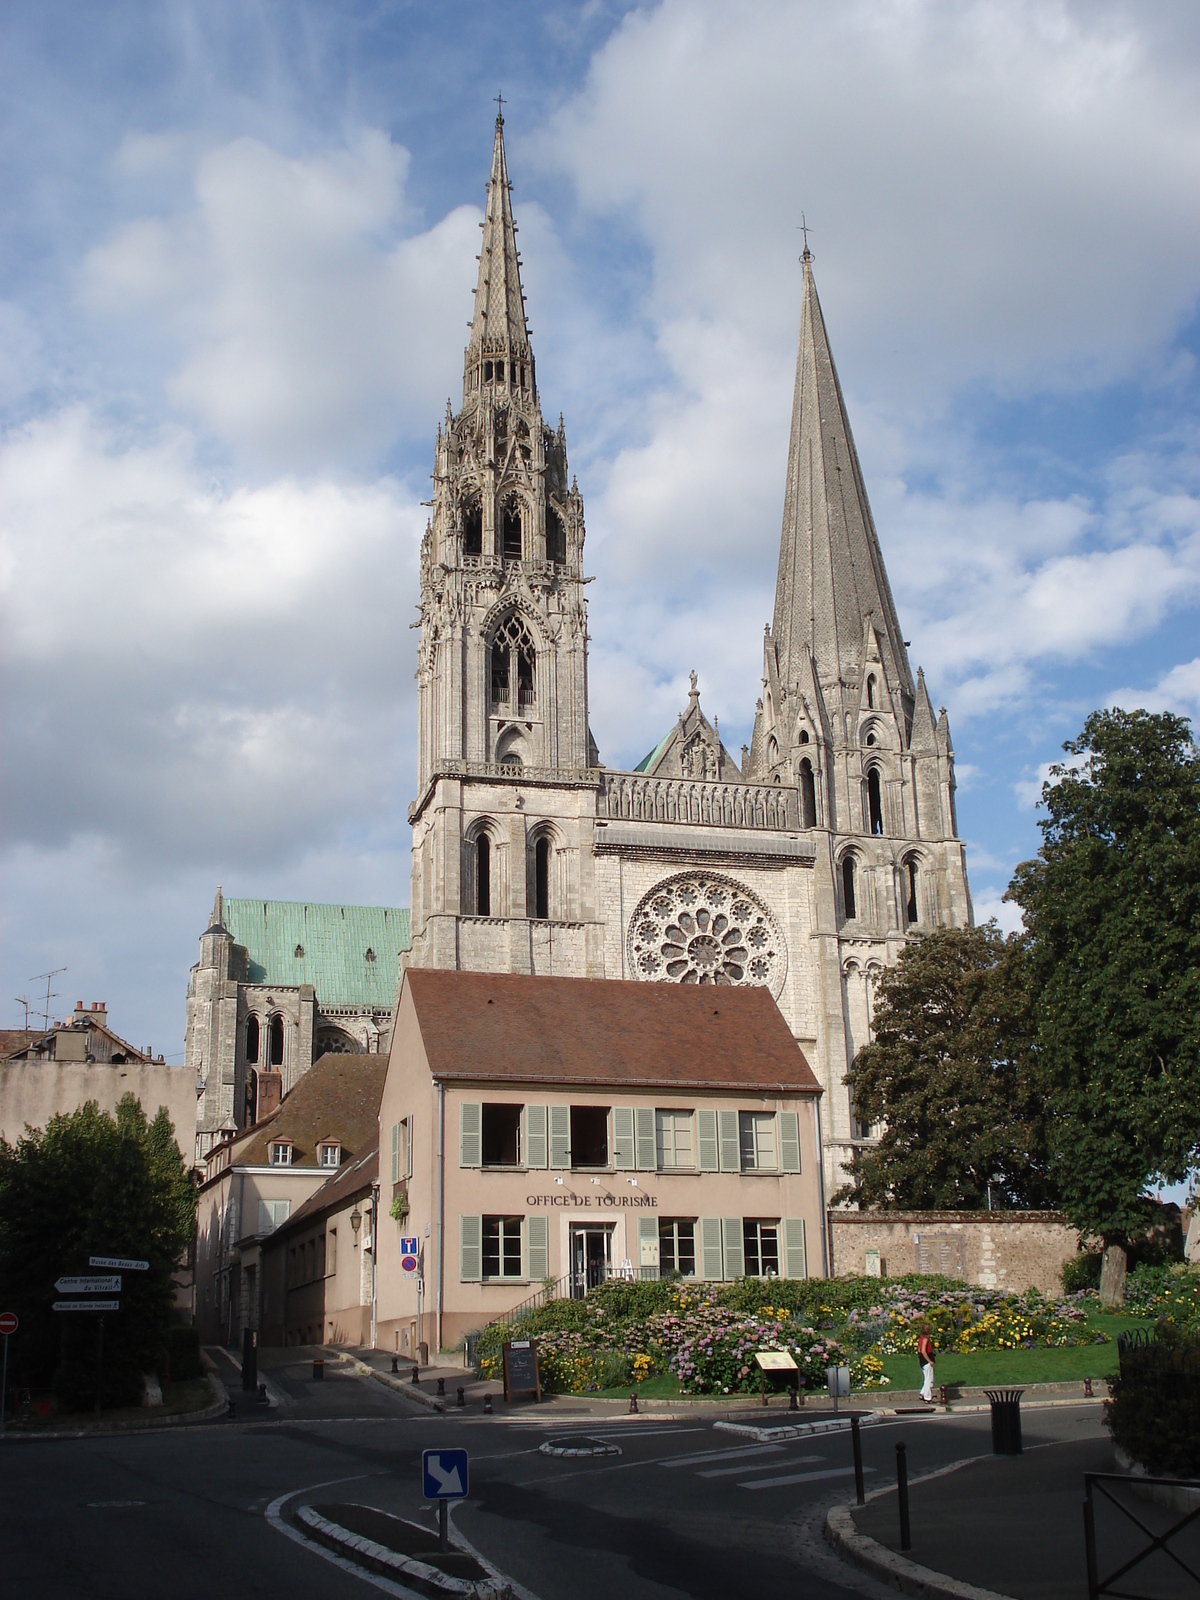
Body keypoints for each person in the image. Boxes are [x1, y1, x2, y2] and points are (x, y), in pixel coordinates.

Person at [917, 1324, 935, 1403]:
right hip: (926, 1361)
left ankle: (923, 1392)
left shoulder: (920, 1339)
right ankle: (927, 1397)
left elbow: (919, 1350)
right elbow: (923, 1351)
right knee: (929, 1379)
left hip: (922, 1361)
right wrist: (929, 1361)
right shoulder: (925, 1339)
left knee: (926, 1378)